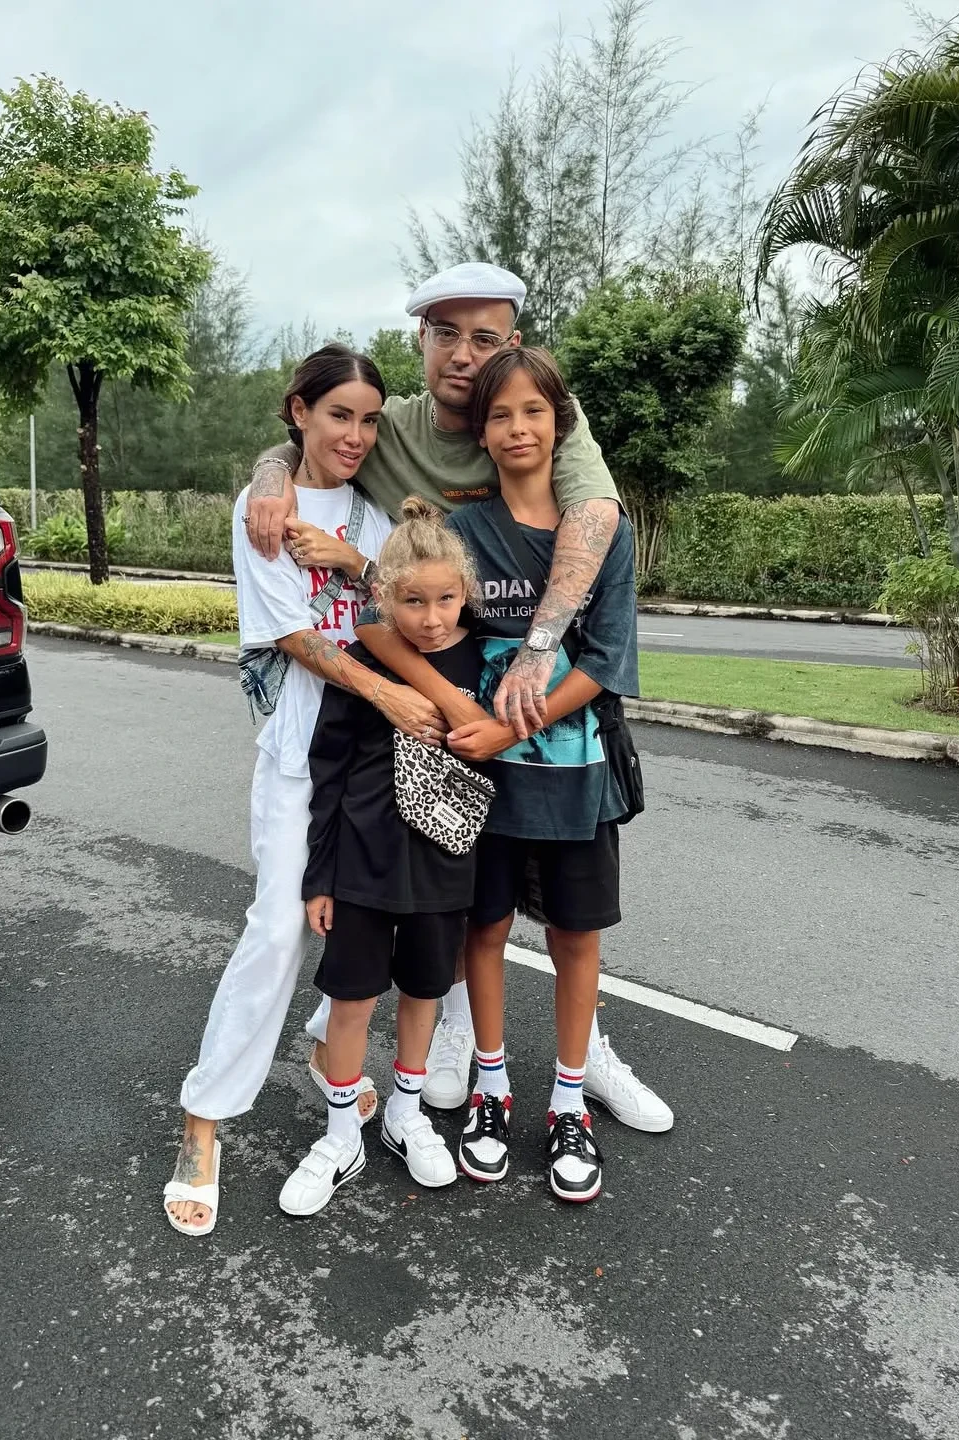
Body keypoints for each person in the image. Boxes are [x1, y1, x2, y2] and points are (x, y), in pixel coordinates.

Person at [250, 262, 672, 1135]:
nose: (466, 355)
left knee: (572, 925)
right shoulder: (398, 432)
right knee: (465, 907)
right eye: (447, 334)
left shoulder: (545, 415)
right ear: (423, 339)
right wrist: (270, 473)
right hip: (460, 739)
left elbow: (596, 532)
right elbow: (323, 435)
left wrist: (533, 668)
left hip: (562, 739)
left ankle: (583, 1057)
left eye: (486, 337)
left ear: (514, 347)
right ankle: (460, 1043)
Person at [163, 346, 450, 1236]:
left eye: (368, 420)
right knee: (279, 925)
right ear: (299, 411)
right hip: (303, 748)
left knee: (373, 914)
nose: (356, 436)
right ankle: (204, 1118)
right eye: (338, 416)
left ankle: (333, 1049)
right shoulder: (266, 507)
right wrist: (387, 693)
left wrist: (358, 565)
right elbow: (292, 632)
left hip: (378, 761)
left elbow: (416, 599)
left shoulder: (375, 511)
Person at [442, 346, 654, 1201]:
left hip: (577, 779)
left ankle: (570, 1103)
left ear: (559, 424)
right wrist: (475, 730)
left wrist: (507, 725)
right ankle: (490, 1088)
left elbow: (604, 661)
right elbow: (430, 634)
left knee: (575, 938)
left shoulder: (604, 531)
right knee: (484, 930)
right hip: (484, 782)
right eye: (500, 414)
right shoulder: (463, 532)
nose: (517, 428)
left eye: (534, 411)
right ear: (480, 433)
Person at [280, 498, 483, 1217]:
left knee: (426, 993)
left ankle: (405, 1113)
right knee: (352, 1000)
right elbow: (329, 772)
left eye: (446, 599)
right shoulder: (364, 665)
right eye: (413, 601)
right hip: (362, 868)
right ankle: (340, 1135)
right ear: (385, 596)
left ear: (466, 592)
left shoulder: (485, 658)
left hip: (445, 869)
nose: (431, 618)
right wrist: (321, 878)